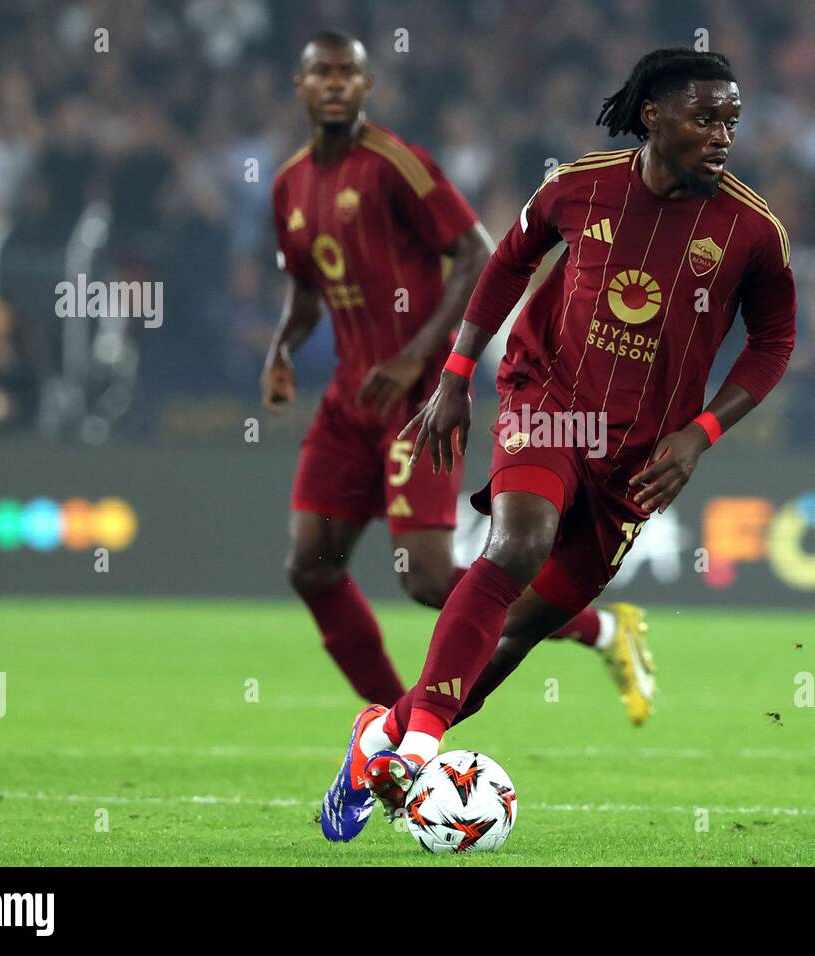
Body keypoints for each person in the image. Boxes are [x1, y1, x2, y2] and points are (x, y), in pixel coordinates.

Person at [321, 46, 797, 843]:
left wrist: (703, 432)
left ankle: (383, 735)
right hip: (547, 399)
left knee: (509, 640)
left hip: (639, 459)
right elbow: (507, 262)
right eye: (707, 117)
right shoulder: (578, 186)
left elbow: (775, 340)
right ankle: (423, 745)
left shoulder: (751, 231)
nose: (723, 136)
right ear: (654, 113)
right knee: (518, 542)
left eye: (733, 122)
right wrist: (455, 373)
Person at [265, 34, 656, 780]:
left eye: (350, 71)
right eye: (323, 72)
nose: (337, 83)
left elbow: (480, 252)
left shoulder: (397, 165)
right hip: (349, 399)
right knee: (310, 568)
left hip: (414, 395)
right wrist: (282, 347)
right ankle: (394, 726)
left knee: (428, 577)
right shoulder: (287, 185)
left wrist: (422, 358)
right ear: (302, 84)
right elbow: (306, 289)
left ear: (367, 82)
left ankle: (601, 629)